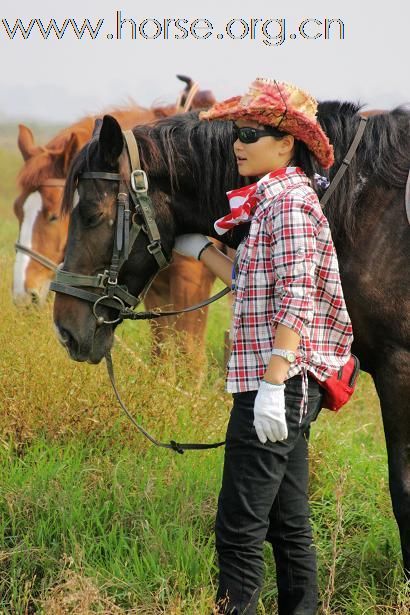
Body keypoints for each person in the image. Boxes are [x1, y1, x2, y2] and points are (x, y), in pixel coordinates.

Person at [174, 78, 353, 615]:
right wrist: (202, 250)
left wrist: (274, 382)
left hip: (275, 385)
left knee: (239, 529)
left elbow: (298, 297)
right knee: (288, 523)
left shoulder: (289, 208)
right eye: (237, 132)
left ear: (286, 143)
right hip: (278, 383)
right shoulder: (271, 205)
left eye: (251, 133)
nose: (237, 143)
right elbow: (255, 283)